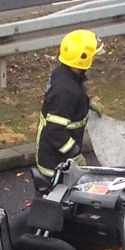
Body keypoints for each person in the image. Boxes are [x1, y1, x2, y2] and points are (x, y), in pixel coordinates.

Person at [34, 30, 101, 195]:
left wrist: (87, 103)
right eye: (94, 55)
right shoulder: (66, 90)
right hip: (55, 163)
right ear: (83, 58)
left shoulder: (64, 74)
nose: (96, 58)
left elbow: (70, 102)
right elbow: (55, 131)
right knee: (56, 202)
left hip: (54, 156)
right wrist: (75, 155)